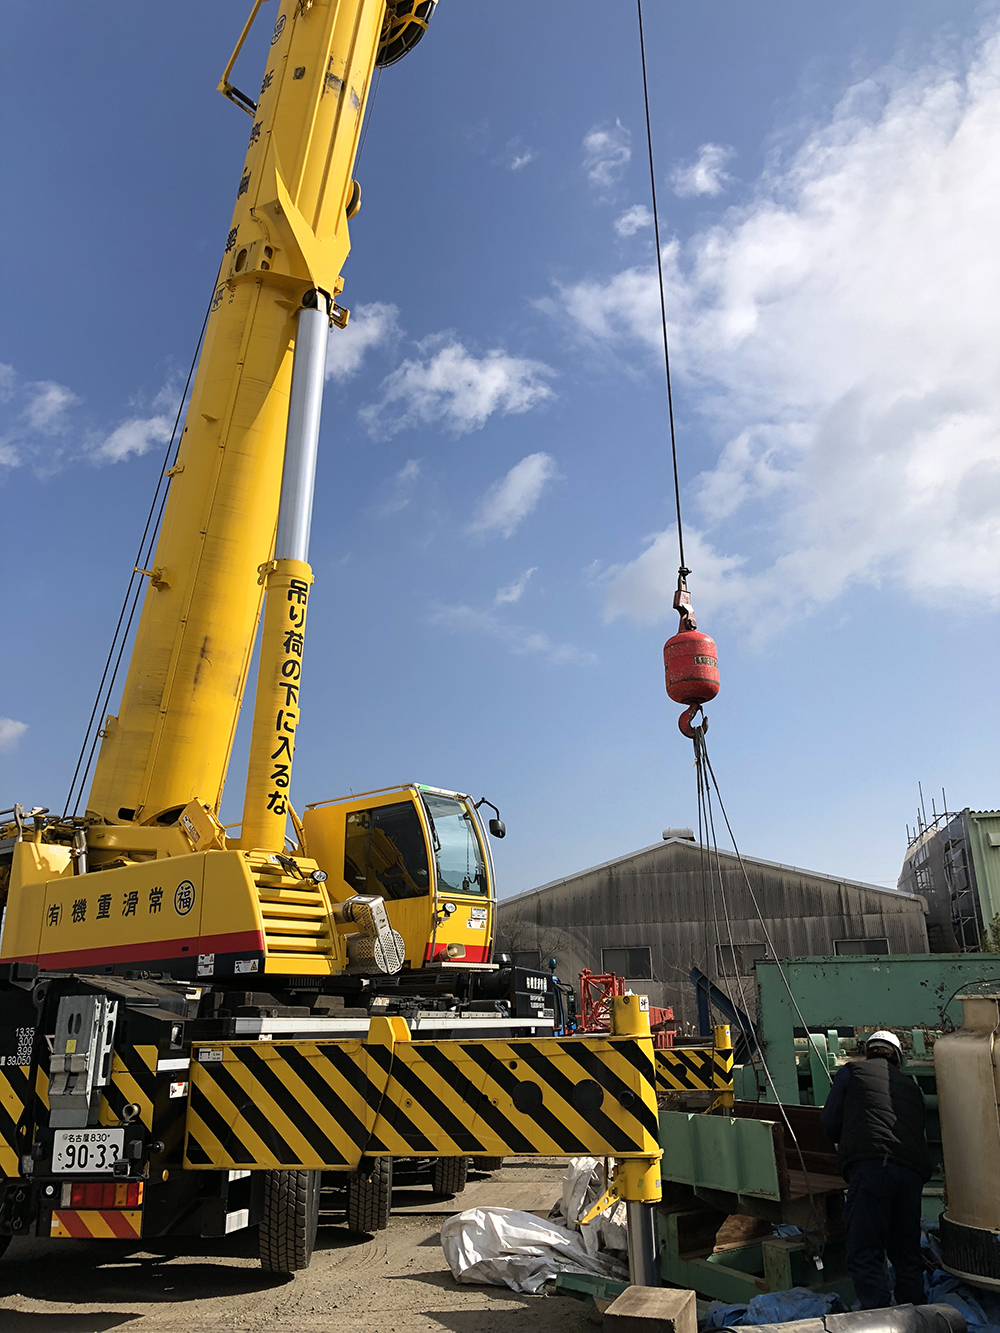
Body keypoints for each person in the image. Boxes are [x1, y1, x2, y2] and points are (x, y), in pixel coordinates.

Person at [820, 1029, 931, 1309]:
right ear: (898, 1060)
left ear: (868, 1052)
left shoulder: (851, 1073)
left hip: (872, 1169)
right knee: (906, 1253)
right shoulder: (911, 1087)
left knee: (864, 1251)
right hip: (912, 1175)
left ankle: (881, 1318)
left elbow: (829, 1123)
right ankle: (917, 1317)